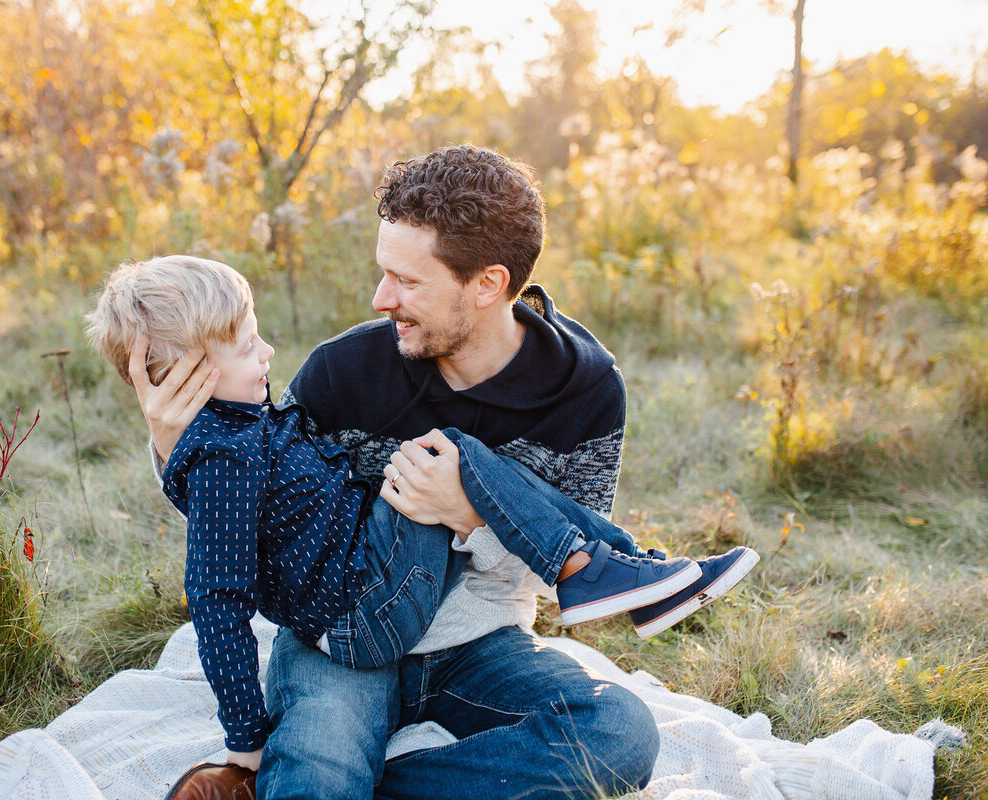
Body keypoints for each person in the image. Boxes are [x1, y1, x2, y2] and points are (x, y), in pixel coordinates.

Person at [131, 146, 759, 800]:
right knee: (319, 771)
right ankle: (325, 772)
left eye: (407, 280)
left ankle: (375, 784)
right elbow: (248, 506)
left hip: (478, 646)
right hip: (341, 647)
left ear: (487, 284)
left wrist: (468, 515)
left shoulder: (587, 392)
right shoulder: (342, 371)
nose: (381, 298)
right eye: (383, 272)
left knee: (622, 732)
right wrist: (171, 438)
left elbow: (555, 590)